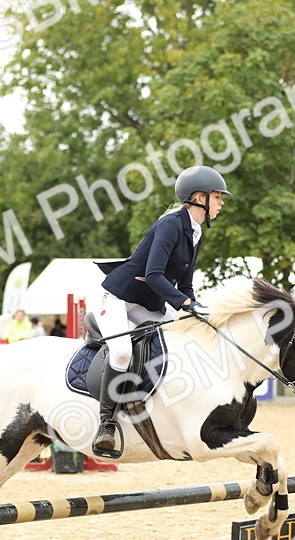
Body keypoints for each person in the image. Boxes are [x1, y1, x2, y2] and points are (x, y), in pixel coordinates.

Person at [90, 164, 229, 457]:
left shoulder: (195, 233)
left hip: (148, 304)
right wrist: (184, 304)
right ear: (199, 198)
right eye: (217, 196)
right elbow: (154, 275)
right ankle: (106, 424)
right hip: (118, 298)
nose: (221, 202)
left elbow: (186, 285)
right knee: (121, 352)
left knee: (180, 339)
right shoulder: (170, 225)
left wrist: (195, 306)